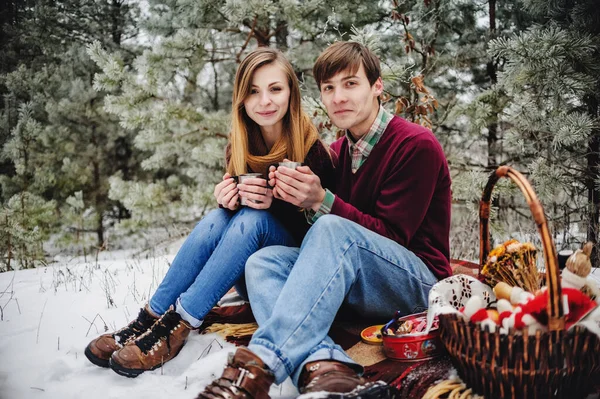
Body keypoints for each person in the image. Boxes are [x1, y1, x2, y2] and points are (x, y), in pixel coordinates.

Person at [195, 41, 451, 399]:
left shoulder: (415, 145)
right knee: (262, 263)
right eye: (328, 88)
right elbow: (321, 242)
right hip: (362, 287)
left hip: (420, 286)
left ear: (377, 87)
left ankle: (256, 366)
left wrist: (322, 201)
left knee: (332, 227)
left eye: (350, 84)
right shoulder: (337, 153)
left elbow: (392, 238)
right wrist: (246, 197)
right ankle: (326, 368)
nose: (338, 97)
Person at [84, 47, 335, 378]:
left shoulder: (313, 150)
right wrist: (227, 198)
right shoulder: (239, 144)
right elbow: (230, 219)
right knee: (219, 218)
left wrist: (275, 204)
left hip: (290, 266)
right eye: (253, 92)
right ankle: (149, 318)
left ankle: (179, 325)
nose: (265, 101)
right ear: (241, 99)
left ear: (291, 92)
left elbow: (324, 232)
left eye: (275, 89)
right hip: (245, 265)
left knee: (256, 218)